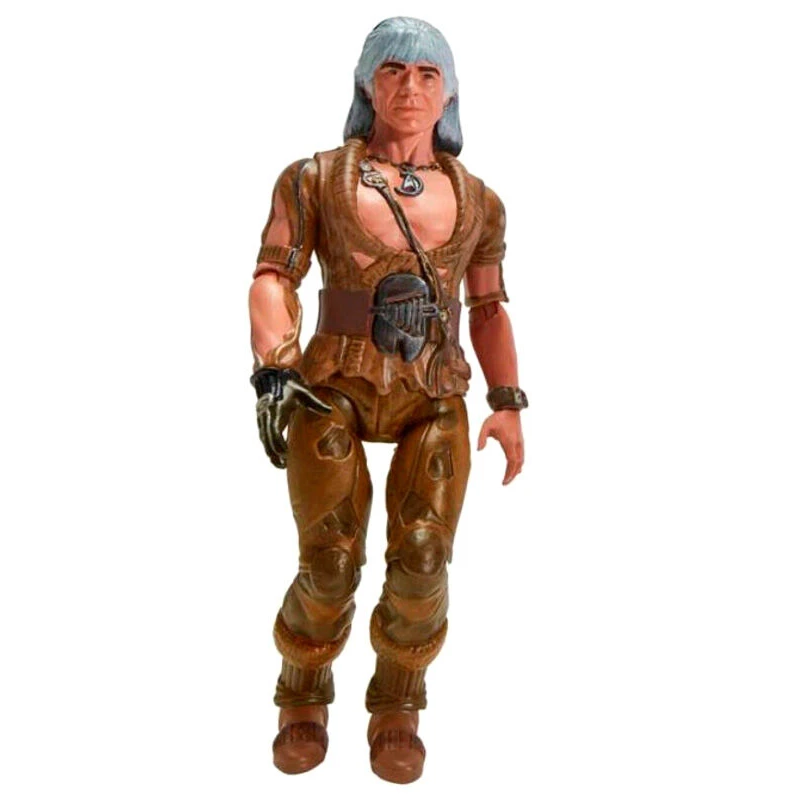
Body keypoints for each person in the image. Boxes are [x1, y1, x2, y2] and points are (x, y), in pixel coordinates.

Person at [248, 17, 527, 783]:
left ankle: (399, 704)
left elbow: (490, 308)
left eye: (428, 74)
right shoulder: (315, 180)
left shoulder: (479, 202)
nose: (410, 87)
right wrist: (274, 367)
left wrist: (507, 402)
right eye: (393, 70)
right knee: (329, 559)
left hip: (432, 391)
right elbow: (273, 276)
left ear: (450, 94)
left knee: (424, 557)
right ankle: (302, 690)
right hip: (330, 386)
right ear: (367, 85)